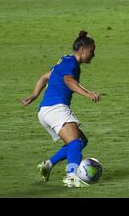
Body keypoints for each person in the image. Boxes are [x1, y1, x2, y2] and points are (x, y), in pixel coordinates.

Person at [20, 30, 101, 187]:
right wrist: (87, 94)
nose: (93, 55)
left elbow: (45, 77)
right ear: (83, 49)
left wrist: (35, 94)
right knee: (76, 142)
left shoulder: (64, 60)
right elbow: (68, 80)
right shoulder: (71, 64)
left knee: (82, 141)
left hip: (44, 111)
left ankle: (48, 164)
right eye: (92, 51)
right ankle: (71, 176)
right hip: (55, 108)